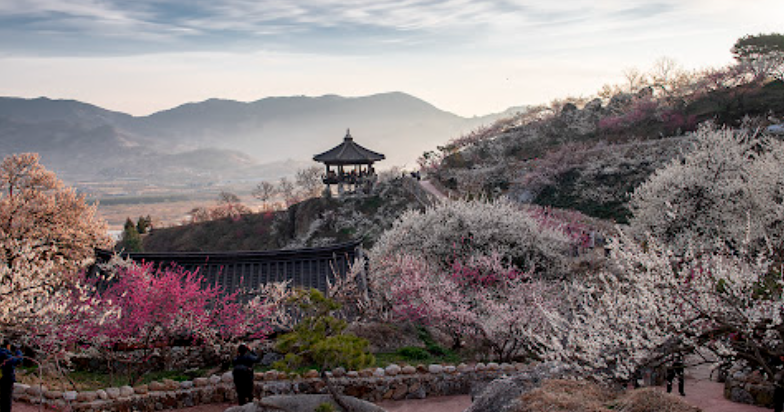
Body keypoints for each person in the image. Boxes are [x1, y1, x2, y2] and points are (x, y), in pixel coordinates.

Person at [0, 340, 23, 412]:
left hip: (3, 377)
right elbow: (18, 361)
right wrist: (18, 351)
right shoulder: (4, 354)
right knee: (6, 400)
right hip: (6, 379)